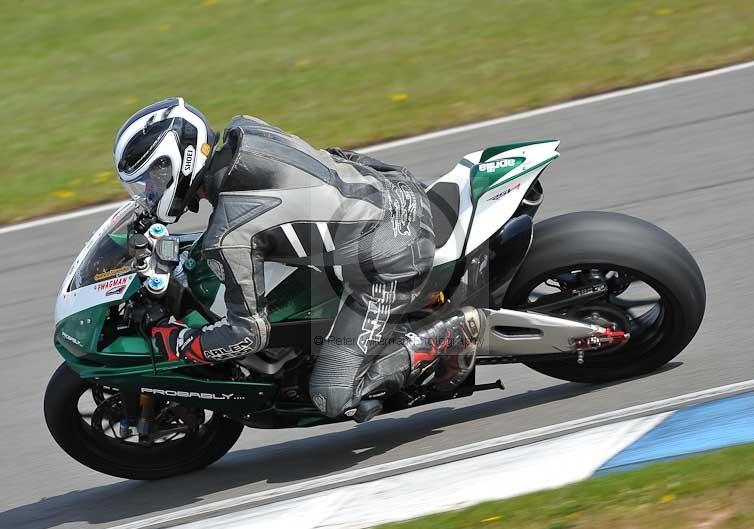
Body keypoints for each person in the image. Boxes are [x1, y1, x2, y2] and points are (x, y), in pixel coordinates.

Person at [113, 97, 482, 422]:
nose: (149, 190)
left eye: (153, 178)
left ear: (180, 163)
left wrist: (177, 342)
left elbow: (248, 335)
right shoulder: (247, 130)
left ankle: (449, 335)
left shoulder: (229, 236)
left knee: (331, 395)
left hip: (392, 258)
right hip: (393, 186)